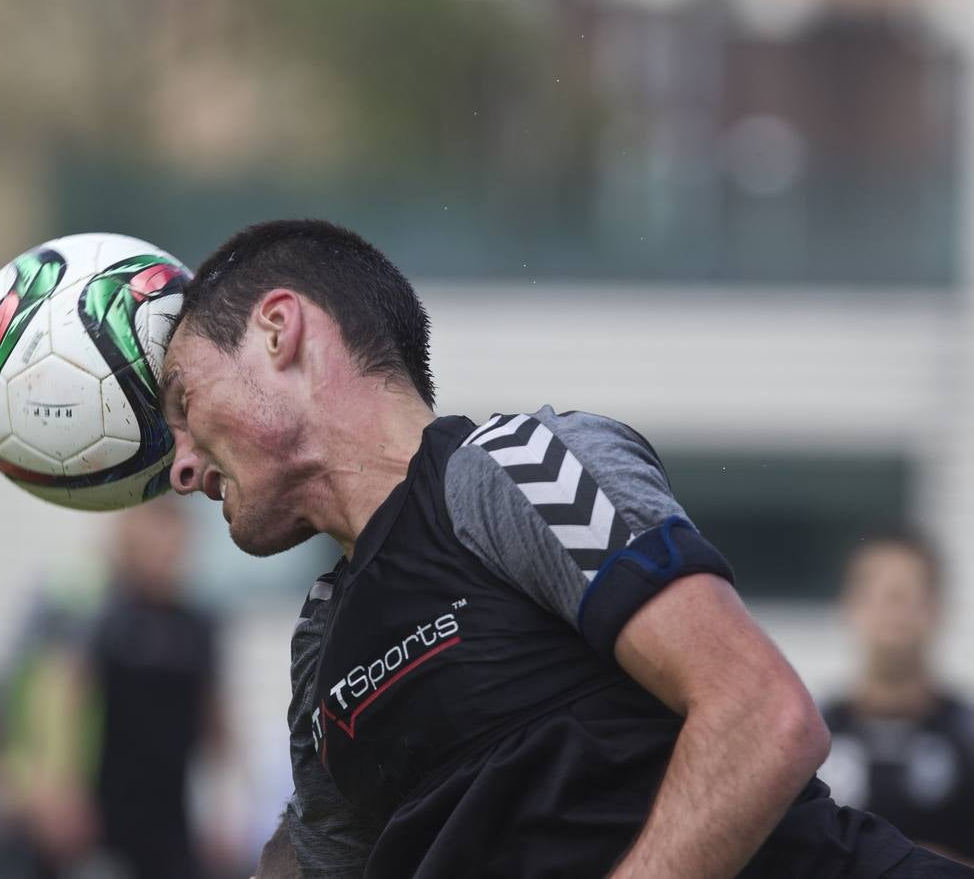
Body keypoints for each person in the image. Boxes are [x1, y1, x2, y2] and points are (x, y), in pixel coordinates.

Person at [159, 218, 972, 878]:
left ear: (279, 330)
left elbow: (763, 718)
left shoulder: (517, 467)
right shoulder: (322, 653)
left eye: (186, 402)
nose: (182, 466)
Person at [6, 494, 234, 879]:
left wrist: (223, 809)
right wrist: (57, 789)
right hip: (97, 816)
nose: (166, 551)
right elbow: (61, 702)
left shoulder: (197, 625)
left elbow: (216, 724)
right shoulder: (97, 613)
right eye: (154, 536)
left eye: (174, 539)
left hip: (169, 820)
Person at [819, 531, 974, 863]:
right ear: (848, 605)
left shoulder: (967, 739)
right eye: (878, 592)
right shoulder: (809, 742)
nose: (893, 608)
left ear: (937, 609)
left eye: (907, 594)